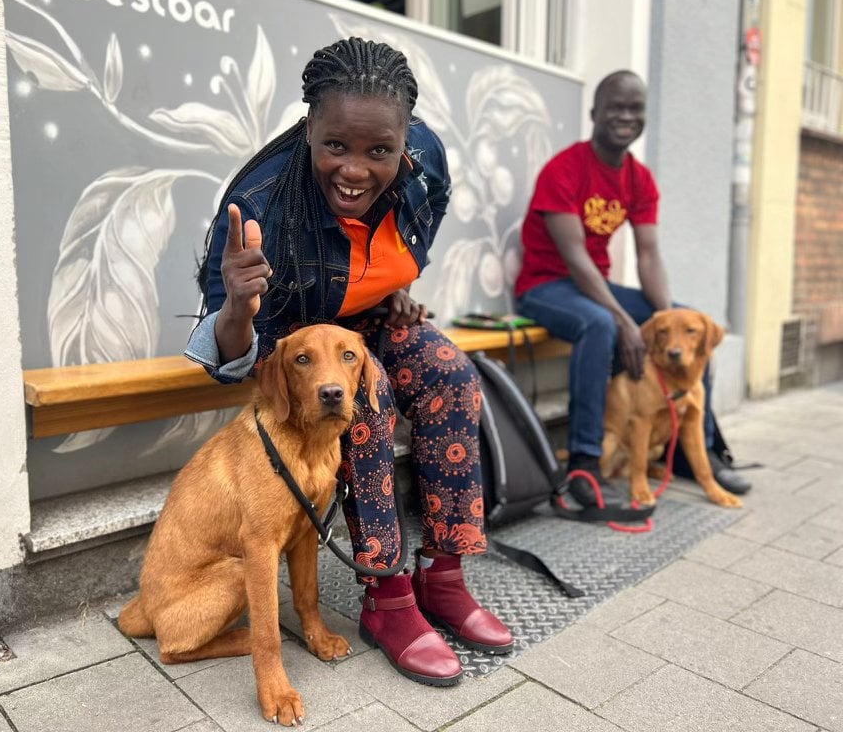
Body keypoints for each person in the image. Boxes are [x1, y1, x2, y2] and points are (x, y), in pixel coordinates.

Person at [186, 37, 512, 687]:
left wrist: (396, 285)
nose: (356, 170)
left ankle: (444, 574)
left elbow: (418, 228)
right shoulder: (259, 206)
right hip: (301, 354)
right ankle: (387, 596)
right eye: (336, 145)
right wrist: (238, 309)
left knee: (450, 371)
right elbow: (222, 355)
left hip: (372, 328)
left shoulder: (427, 161)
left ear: (404, 140)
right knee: (364, 399)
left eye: (378, 151)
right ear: (309, 128)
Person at [514, 70, 751, 504]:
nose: (625, 116)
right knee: (601, 325)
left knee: (693, 325)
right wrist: (625, 320)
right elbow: (576, 258)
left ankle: (699, 448)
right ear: (594, 114)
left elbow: (648, 255)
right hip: (546, 286)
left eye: (634, 108)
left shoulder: (640, 179)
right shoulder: (564, 169)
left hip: (593, 285)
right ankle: (585, 461)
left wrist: (669, 319)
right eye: (615, 108)